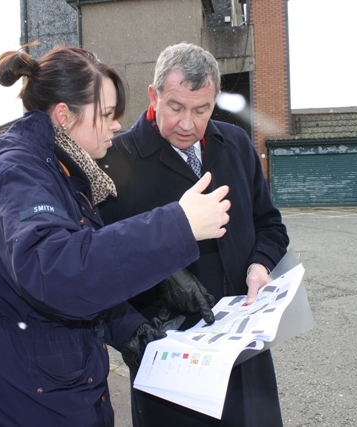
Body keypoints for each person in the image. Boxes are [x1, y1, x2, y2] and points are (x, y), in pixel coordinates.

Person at [0, 43, 232, 426]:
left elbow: (82, 274)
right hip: (13, 393)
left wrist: (132, 329)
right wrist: (179, 225)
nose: (116, 125)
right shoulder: (17, 173)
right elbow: (55, 271)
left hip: (50, 384)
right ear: (63, 115)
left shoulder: (66, 172)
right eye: (107, 114)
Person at [98, 43, 290, 426]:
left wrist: (260, 264)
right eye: (175, 107)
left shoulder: (235, 144)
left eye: (201, 109)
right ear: (154, 96)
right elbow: (97, 267)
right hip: (171, 364)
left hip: (243, 354)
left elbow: (270, 224)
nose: (188, 123)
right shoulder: (114, 161)